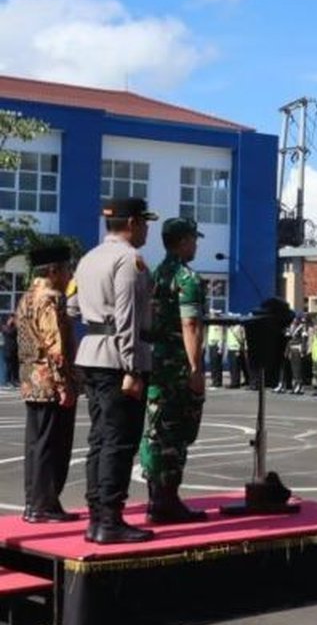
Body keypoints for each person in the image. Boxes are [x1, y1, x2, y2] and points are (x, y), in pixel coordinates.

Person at [71, 197, 157, 544]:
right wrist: (133, 368)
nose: (147, 229)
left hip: (92, 352)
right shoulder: (128, 260)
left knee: (99, 438)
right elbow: (128, 317)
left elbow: (73, 306)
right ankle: (110, 518)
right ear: (133, 223)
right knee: (119, 441)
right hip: (117, 359)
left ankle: (97, 516)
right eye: (145, 222)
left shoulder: (88, 258)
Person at [140, 217, 209, 524]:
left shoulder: (155, 275)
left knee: (156, 430)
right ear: (183, 241)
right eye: (194, 239)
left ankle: (157, 498)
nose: (196, 244)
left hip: (154, 361)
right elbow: (190, 323)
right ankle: (167, 501)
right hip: (177, 365)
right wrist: (196, 369)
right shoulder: (186, 277)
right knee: (177, 433)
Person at [18, 245, 80, 523]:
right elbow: (55, 345)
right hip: (50, 382)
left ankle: (34, 502)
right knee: (53, 445)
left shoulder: (27, 298)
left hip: (31, 380)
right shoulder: (50, 299)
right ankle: (45, 504)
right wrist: (64, 383)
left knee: (36, 444)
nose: (70, 274)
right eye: (67, 269)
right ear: (53, 270)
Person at [205, 316, 225, 390]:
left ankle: (216, 382)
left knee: (216, 365)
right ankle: (216, 381)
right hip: (211, 345)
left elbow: (221, 336)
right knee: (214, 364)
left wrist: (220, 347)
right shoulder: (211, 324)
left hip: (216, 346)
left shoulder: (218, 325)